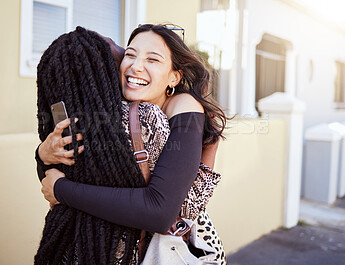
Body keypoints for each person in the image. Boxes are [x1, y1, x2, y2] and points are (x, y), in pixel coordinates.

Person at [37, 24, 227, 264]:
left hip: (173, 249)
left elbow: (160, 211)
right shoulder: (116, 109)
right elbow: (70, 176)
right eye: (130, 54)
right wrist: (44, 155)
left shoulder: (184, 107)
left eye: (153, 59)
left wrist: (62, 191)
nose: (136, 66)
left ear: (174, 76)